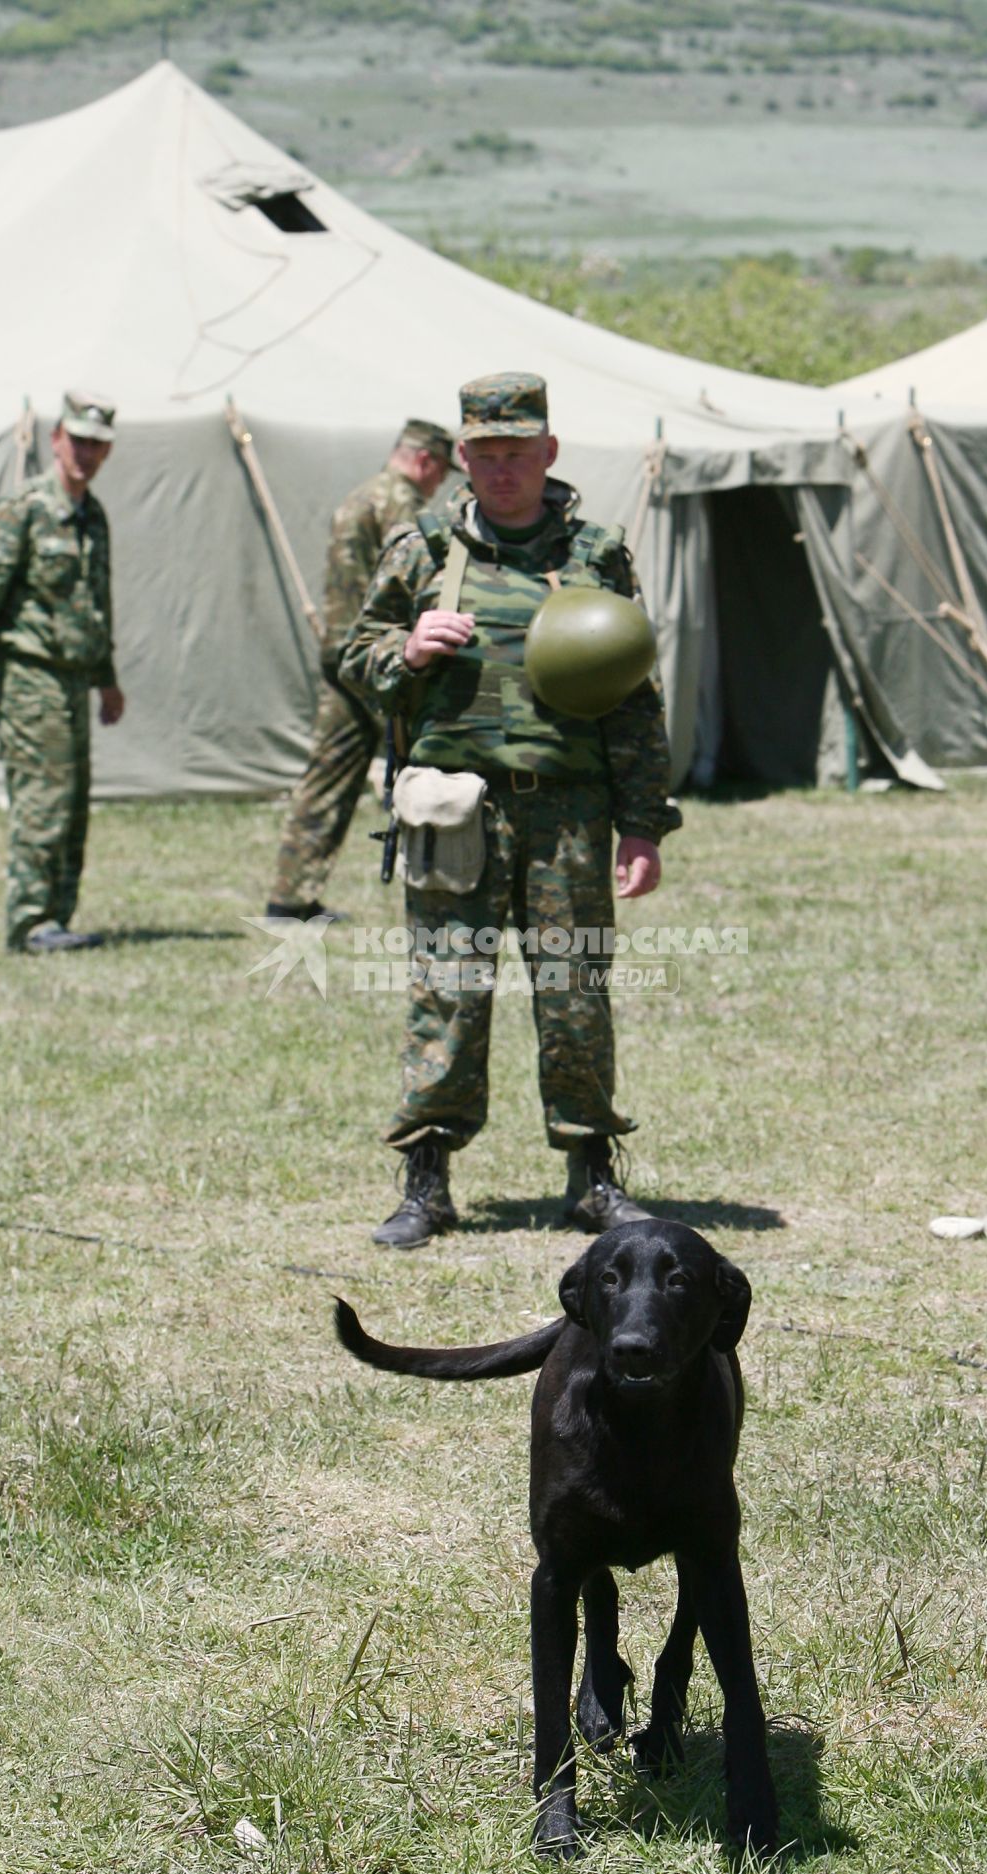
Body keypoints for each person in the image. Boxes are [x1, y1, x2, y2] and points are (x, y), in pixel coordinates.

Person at [339, 372, 678, 1249]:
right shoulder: (421, 551)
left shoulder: (595, 553)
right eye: (485, 455)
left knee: (574, 995)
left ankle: (593, 1177)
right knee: (447, 993)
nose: (502, 471)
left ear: (549, 453)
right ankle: (428, 1180)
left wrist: (642, 821)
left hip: (568, 814)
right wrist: (406, 648)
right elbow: (353, 654)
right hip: (456, 815)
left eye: (517, 454)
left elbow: (635, 695)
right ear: (462, 457)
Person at [0, 391, 123, 953]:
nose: (86, 454)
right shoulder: (24, 508)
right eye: (79, 441)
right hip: (28, 674)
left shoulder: (93, 516)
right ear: (56, 440)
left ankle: (56, 917)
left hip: (72, 678)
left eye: (98, 445)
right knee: (42, 798)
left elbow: (97, 605)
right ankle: (30, 922)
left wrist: (107, 678)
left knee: (71, 802)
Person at [266, 418, 455, 920]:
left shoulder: (360, 496)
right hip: (379, 664)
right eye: (441, 473)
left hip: (343, 656)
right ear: (425, 461)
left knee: (327, 779)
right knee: (432, 771)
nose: (440, 484)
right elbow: (415, 585)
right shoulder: (402, 505)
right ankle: (449, 894)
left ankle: (290, 894)